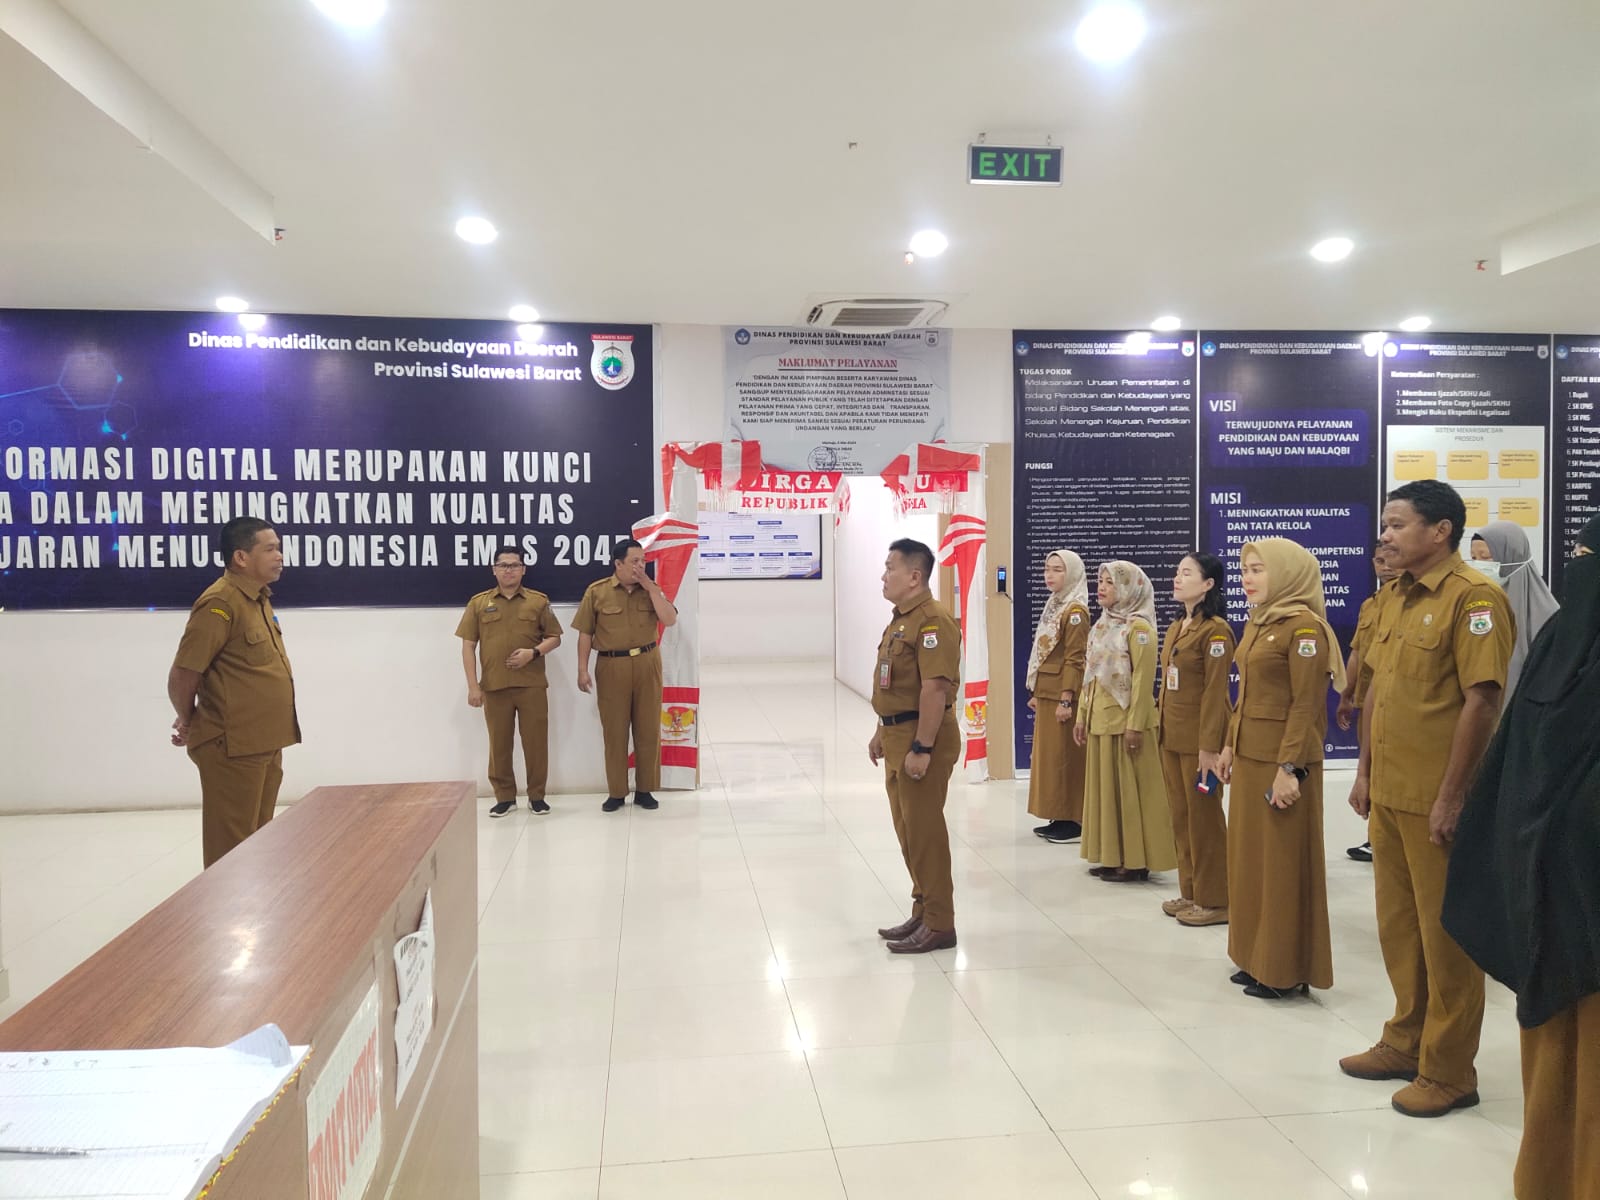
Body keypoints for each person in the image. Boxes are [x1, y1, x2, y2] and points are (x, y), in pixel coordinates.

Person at [1340, 479, 1515, 1118]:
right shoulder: (1393, 598)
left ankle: (1449, 1071)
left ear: (1440, 531)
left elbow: (1483, 700)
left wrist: (1454, 796)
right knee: (1399, 928)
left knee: (1446, 939)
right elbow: (1374, 693)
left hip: (1435, 797)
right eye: (1385, 524)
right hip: (1389, 792)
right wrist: (1363, 772)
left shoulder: (1474, 599)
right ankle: (1405, 1039)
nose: (1384, 535)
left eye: (1397, 524)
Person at [1443, 515, 1600, 1199]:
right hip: (1554, 908)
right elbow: (1522, 765)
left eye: (1590, 553)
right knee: (1560, 1076)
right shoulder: (1566, 641)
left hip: (1570, 900)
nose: (1581, 566)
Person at [1217, 538, 1341, 999]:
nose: (1247, 578)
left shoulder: (1304, 628)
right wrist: (1230, 745)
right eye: (1245, 569)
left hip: (1283, 763)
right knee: (1250, 861)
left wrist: (1289, 767)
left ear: (1288, 573)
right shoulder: (1260, 622)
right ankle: (1255, 957)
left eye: (1259, 569)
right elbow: (1246, 694)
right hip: (1250, 757)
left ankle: (1285, 968)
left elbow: (1306, 705)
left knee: (1282, 864)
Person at [167, 517, 301, 868]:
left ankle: (255, 904)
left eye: (279, 548)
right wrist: (188, 719)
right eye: (269, 549)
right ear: (241, 557)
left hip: (264, 743)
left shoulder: (257, 599)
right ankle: (224, 907)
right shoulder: (219, 603)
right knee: (230, 853)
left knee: (258, 844)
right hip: (233, 746)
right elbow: (184, 672)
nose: (279, 556)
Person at [870, 538, 963, 953]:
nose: (883, 575)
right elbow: (894, 684)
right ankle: (923, 909)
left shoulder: (933, 621)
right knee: (908, 832)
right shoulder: (901, 621)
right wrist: (880, 729)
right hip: (897, 736)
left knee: (925, 834)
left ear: (914, 576)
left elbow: (934, 690)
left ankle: (940, 924)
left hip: (922, 738)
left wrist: (923, 748)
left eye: (890, 568)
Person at [1075, 561, 1177, 883]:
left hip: (1126, 724)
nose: (1102, 587)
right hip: (1100, 721)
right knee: (1107, 794)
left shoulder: (1139, 629)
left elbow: (1144, 681)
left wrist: (1135, 724)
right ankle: (1112, 855)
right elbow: (1090, 675)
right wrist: (1081, 715)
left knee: (1131, 793)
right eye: (1100, 581)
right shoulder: (1102, 625)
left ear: (1130, 588)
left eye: (1110, 582)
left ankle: (1135, 862)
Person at [456, 545, 564, 817]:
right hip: (495, 686)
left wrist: (533, 653)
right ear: (494, 569)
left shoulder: (538, 601)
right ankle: (504, 798)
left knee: (536, 744)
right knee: (499, 745)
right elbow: (468, 646)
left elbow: (555, 638)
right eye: (503, 565)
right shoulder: (479, 603)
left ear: (523, 569)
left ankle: (537, 797)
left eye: (514, 565)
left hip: (531, 685)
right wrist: (473, 686)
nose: (509, 570)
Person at [1158, 552, 1235, 926]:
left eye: (1186, 573)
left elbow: (1215, 693)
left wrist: (1209, 747)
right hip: (1172, 736)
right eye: (1177, 572)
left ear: (1208, 584)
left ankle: (1216, 899)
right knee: (1181, 817)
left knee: (1204, 821)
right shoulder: (1178, 626)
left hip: (1198, 742)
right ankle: (1190, 891)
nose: (1177, 578)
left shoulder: (1215, 631)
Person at [572, 538, 677, 812]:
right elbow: (585, 633)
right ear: (618, 564)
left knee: (648, 729)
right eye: (634, 561)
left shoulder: (651, 589)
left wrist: (651, 588)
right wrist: (582, 669)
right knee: (615, 731)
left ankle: (645, 790)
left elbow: (669, 619)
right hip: (611, 665)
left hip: (647, 663)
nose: (640, 566)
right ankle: (617, 792)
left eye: (643, 561)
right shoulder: (597, 592)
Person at [1337, 545, 1402, 863]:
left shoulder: (1405, 601)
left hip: (1396, 703)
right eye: (1379, 560)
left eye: (1390, 559)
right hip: (1367, 699)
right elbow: (1357, 652)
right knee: (1369, 768)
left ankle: (1388, 837)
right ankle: (1375, 836)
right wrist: (1346, 694)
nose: (1385, 566)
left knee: (1389, 768)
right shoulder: (1370, 604)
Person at [1024, 549, 1090, 844]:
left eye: (1058, 570)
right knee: (1051, 759)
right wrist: (1039, 691)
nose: (1049, 575)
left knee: (1065, 758)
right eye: (1047, 569)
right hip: (1049, 693)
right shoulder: (1055, 604)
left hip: (1064, 697)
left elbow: (1075, 659)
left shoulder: (1075, 612)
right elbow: (1045, 654)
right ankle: (1058, 815)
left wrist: (1066, 698)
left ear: (1072, 573)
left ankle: (1073, 819)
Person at [1468, 520, 1560, 703]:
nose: (1478, 566)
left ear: (1511, 556)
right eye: (1473, 558)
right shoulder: (1475, 604)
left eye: (1486, 558)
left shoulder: (1549, 615)